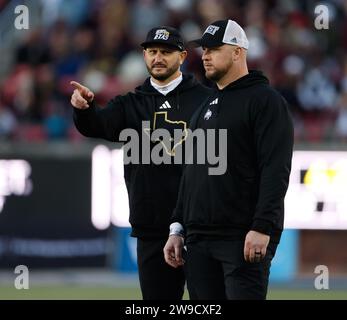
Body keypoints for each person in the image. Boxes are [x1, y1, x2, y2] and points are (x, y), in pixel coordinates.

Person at [70, 26, 212, 300]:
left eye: (166, 52)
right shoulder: (131, 103)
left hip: (200, 225)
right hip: (153, 226)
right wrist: (83, 109)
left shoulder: (206, 101)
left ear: (182, 57)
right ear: (144, 55)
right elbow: (98, 124)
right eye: (152, 52)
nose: (157, 58)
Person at [164, 19, 294, 300]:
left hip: (241, 238)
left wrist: (262, 226)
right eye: (204, 50)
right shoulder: (204, 108)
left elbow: (276, 169)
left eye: (214, 48)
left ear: (238, 52)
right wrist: (177, 227)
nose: (205, 55)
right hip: (198, 240)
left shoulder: (266, 101)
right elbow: (191, 172)